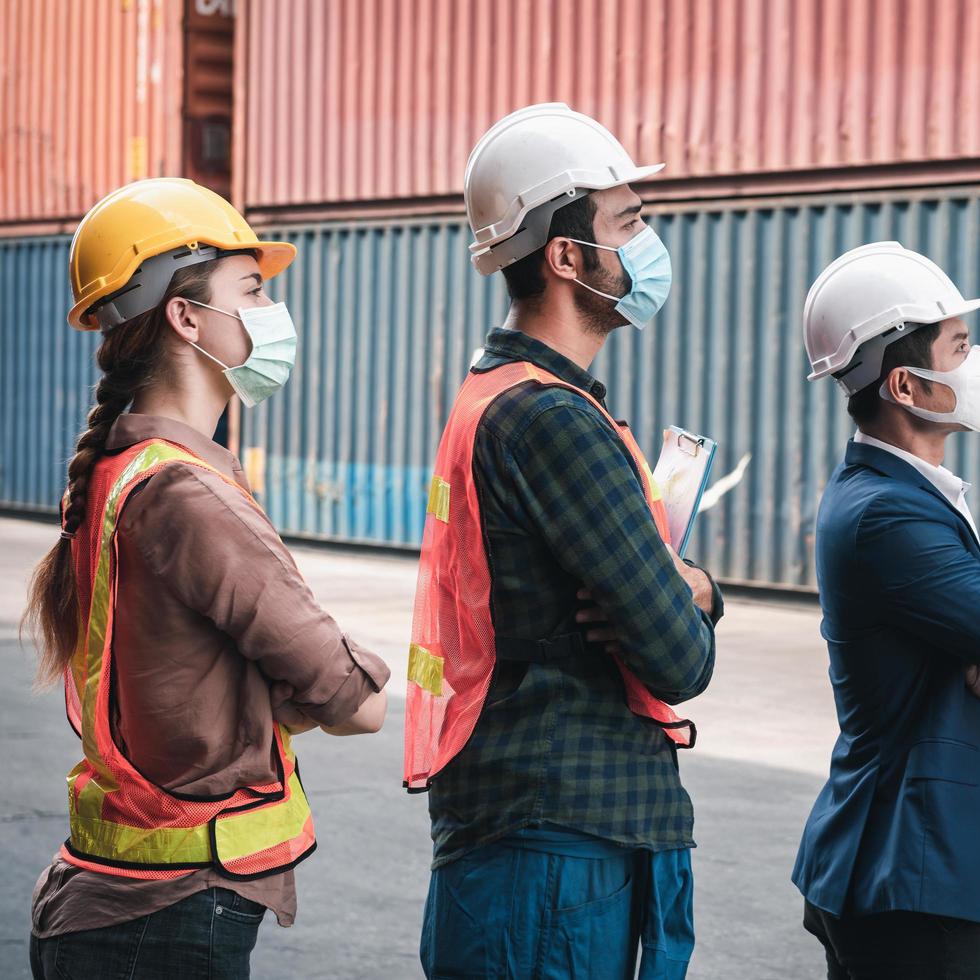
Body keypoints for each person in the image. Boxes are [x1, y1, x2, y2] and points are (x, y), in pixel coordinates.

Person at [24, 177, 390, 979]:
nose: (273, 314)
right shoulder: (186, 495)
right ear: (186, 318)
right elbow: (356, 704)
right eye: (252, 291)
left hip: (115, 908)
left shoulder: (124, 472)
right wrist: (316, 678)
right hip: (167, 920)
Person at [406, 103, 722, 979]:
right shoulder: (552, 418)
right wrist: (690, 594)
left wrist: (684, 586)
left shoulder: (495, 389)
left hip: (529, 829)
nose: (649, 244)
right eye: (629, 224)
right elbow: (675, 658)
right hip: (557, 845)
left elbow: (658, 601)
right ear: (566, 256)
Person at [791, 242, 980, 979]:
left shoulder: (898, 496)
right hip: (902, 870)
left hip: (890, 862)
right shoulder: (890, 515)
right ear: (907, 387)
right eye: (959, 346)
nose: (976, 361)